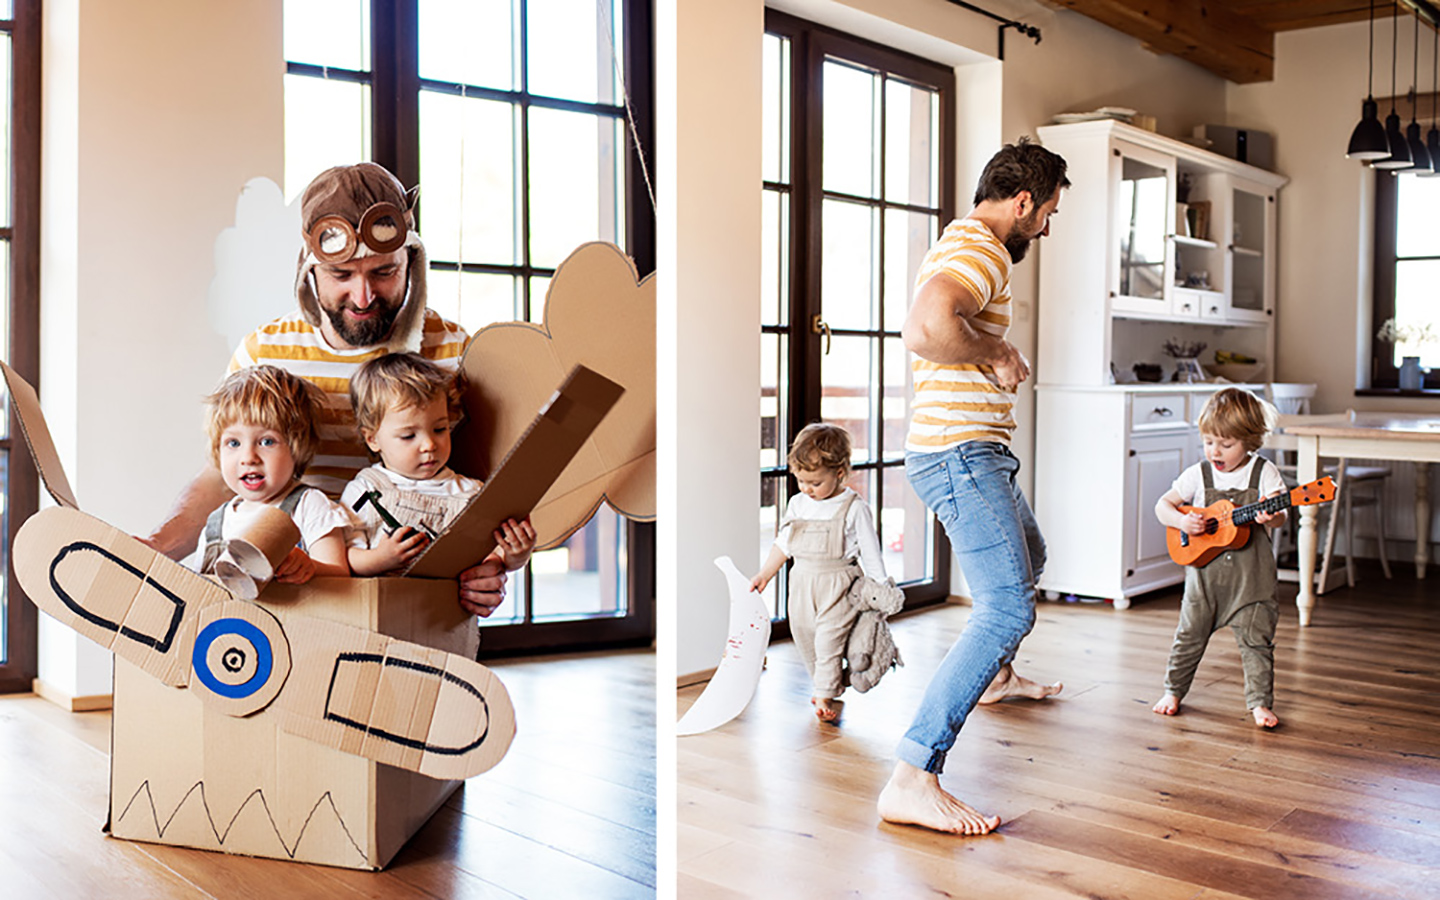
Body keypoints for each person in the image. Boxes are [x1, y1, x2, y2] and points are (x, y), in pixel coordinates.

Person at [141, 162, 506, 615]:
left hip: (413, 594)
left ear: (411, 260)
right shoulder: (265, 351)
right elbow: (223, 475)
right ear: (309, 269)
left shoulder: (452, 349)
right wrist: (156, 547)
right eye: (341, 275)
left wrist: (487, 570)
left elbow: (481, 489)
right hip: (293, 589)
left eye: (384, 272)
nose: (363, 295)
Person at [876, 137, 1069, 836]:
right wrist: (998, 350)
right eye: (1045, 213)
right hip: (960, 455)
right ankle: (913, 775)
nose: (1044, 228)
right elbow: (927, 327)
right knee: (1007, 608)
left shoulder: (963, 242)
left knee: (1031, 553)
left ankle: (994, 678)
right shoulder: (983, 248)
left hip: (971, 450)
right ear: (1022, 203)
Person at [1152, 388, 1286, 729]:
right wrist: (1182, 521)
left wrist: (1272, 517)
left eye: (1226, 444)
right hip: (1204, 584)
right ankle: (1173, 691)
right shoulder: (1198, 474)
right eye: (1209, 441)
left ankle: (1259, 703)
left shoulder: (1263, 472)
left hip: (1251, 583)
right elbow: (1162, 506)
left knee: (1257, 643)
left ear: (1250, 439)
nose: (1215, 451)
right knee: (1188, 637)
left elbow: (1282, 513)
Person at [341, 352, 536, 577]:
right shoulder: (364, 490)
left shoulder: (472, 494)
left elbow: (492, 558)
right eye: (408, 436)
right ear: (372, 439)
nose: (429, 445)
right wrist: (381, 559)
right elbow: (346, 557)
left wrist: (516, 555)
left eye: (440, 429)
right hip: (385, 606)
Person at [749, 422, 889, 723]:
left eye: (814, 482)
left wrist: (881, 589)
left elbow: (870, 551)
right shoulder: (798, 504)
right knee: (805, 636)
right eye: (801, 481)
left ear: (839, 472)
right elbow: (783, 545)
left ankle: (824, 693)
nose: (807, 489)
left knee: (829, 639)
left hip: (839, 583)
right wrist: (764, 574)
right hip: (801, 582)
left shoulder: (853, 507)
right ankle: (827, 681)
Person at [186, 365, 352, 582]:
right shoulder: (216, 524)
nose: (249, 457)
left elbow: (341, 574)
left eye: (266, 442)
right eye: (233, 443)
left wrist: (309, 567)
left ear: (295, 447)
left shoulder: (308, 505)